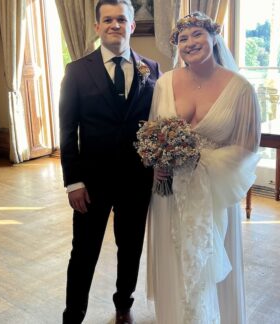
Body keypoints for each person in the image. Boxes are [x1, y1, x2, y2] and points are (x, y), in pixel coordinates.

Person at [146, 12, 261, 323]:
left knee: (210, 259)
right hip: (170, 189)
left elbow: (249, 146)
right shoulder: (165, 83)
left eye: (197, 34)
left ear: (214, 37)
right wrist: (156, 163)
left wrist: (203, 164)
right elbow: (155, 131)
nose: (190, 42)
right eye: (182, 38)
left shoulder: (240, 88)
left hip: (214, 192)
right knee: (173, 255)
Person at [59, 0, 161, 323]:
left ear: (131, 26)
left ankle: (123, 304)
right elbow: (66, 130)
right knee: (84, 253)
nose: (114, 25)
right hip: (91, 183)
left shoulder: (152, 69)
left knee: (130, 248)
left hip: (136, 180)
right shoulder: (76, 71)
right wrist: (73, 181)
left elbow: (157, 123)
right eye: (107, 20)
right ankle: (73, 314)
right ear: (97, 27)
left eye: (121, 19)